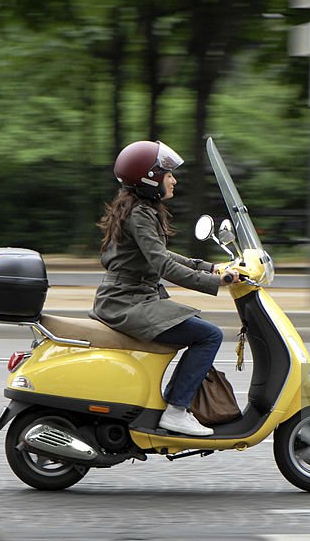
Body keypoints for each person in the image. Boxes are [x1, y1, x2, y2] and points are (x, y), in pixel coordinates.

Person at [90, 140, 239, 437]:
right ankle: (176, 410)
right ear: (149, 178)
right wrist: (214, 282)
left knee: (198, 329)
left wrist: (207, 267)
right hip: (126, 303)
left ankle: (170, 404)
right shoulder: (140, 214)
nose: (173, 179)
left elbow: (160, 255)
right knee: (209, 335)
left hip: (130, 298)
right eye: (167, 174)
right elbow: (163, 266)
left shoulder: (138, 210)